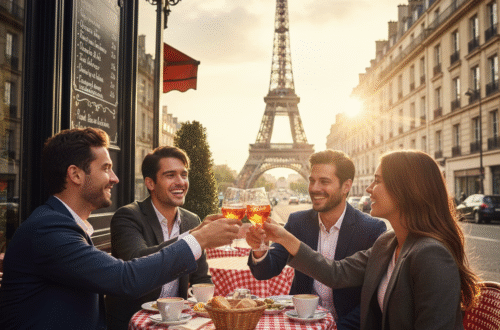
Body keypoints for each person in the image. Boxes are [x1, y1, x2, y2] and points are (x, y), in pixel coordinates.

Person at [0, 128, 240, 330]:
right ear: (75, 174)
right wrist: (197, 239)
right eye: (106, 168)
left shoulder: (62, 225)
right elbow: (125, 278)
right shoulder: (49, 230)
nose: (115, 178)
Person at [259, 150, 480, 330]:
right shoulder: (388, 243)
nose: (368, 189)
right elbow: (335, 273)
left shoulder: (431, 255)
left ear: (405, 190)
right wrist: (283, 237)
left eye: (377, 181)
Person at [246, 150, 387, 330]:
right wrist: (259, 247)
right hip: (301, 323)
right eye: (312, 180)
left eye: (324, 181)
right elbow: (265, 271)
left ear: (346, 186)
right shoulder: (297, 222)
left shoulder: (371, 229)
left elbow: (371, 302)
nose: (314, 188)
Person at [105, 146, 213, 329]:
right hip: (134, 322)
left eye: (184, 175)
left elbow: (201, 279)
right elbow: (138, 260)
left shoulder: (191, 220)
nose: (180, 182)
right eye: (170, 175)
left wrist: (206, 306)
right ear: (150, 183)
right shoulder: (128, 216)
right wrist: (193, 238)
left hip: (177, 322)